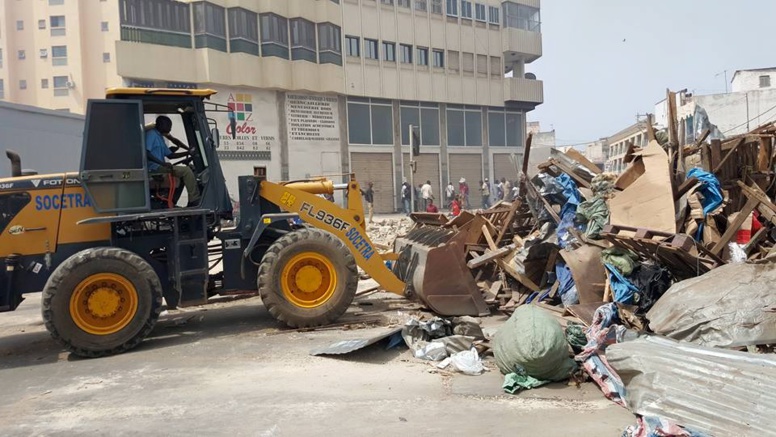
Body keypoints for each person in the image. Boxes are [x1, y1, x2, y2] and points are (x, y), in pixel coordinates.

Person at [146, 115, 201, 207]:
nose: (170, 128)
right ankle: (195, 199)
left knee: (185, 173)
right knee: (186, 171)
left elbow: (170, 155)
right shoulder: (151, 134)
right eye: (168, 125)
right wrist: (162, 163)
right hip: (154, 168)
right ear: (161, 124)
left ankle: (172, 201)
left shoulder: (160, 137)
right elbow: (146, 153)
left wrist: (187, 152)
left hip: (160, 167)